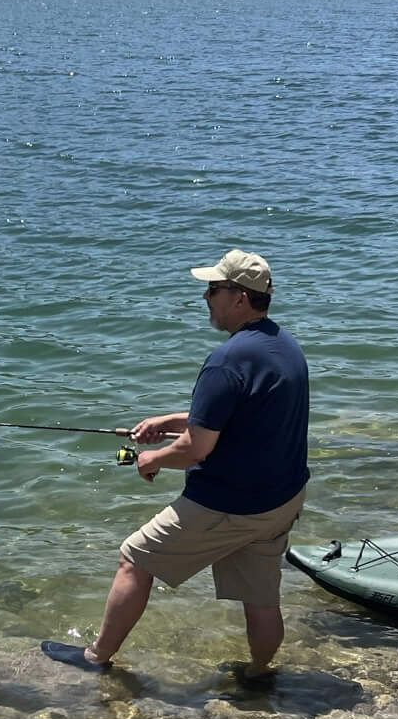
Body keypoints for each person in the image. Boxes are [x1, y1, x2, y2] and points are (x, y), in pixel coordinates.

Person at [42, 248, 310, 677]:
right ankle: (260, 674)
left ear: (239, 298)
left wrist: (153, 458)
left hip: (230, 505)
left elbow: (196, 449)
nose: (206, 297)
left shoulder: (225, 362)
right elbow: (245, 414)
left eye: (214, 289)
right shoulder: (284, 347)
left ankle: (95, 659)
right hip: (280, 499)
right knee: (260, 596)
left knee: (134, 558)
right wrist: (171, 420)